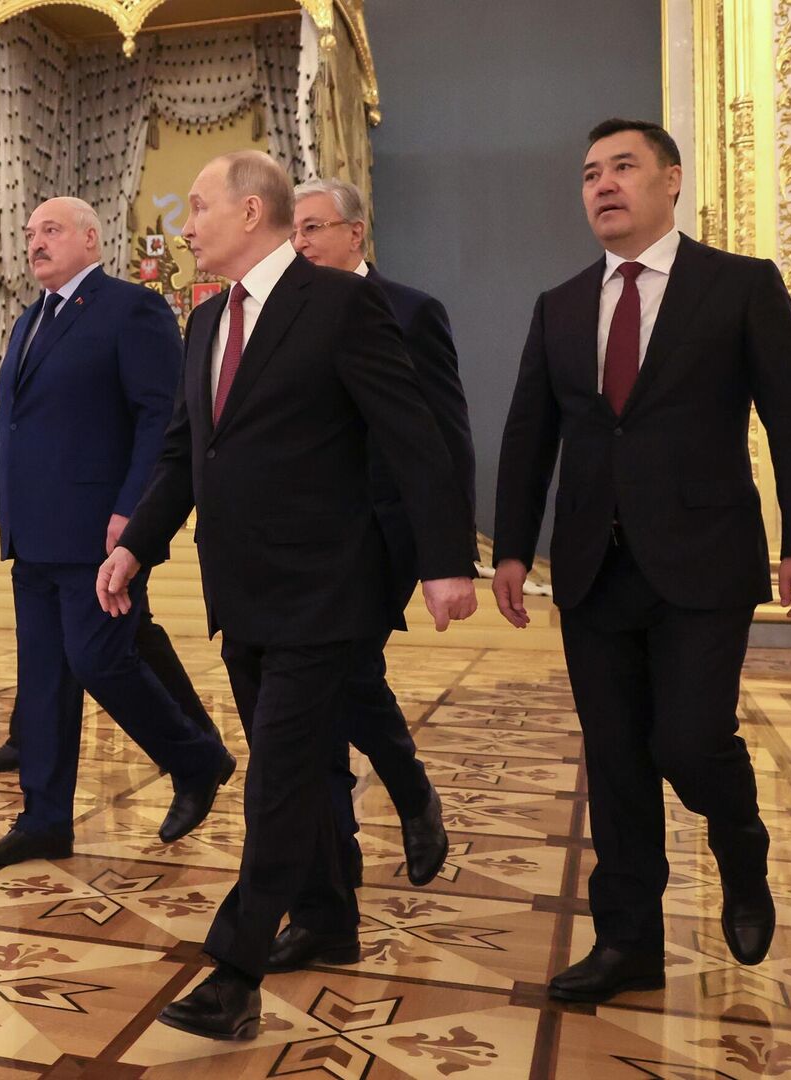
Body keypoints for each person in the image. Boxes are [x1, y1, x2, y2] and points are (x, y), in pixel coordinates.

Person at [98, 152, 477, 1040]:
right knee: (298, 773)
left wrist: (444, 559)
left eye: (198, 207)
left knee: (276, 777)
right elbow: (185, 452)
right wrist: (137, 545)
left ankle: (234, 975)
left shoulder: (341, 304)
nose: (186, 225)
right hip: (241, 591)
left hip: (326, 589)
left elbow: (414, 435)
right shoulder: (205, 320)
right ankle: (329, 917)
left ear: (250, 211)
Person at [493, 118, 791, 1003]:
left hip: (704, 560)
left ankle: (740, 840)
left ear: (671, 180)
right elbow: (530, 435)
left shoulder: (741, 285)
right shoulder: (561, 303)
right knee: (615, 761)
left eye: (623, 167)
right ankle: (628, 941)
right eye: (589, 173)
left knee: (687, 740)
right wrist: (511, 549)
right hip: (591, 566)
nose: (602, 184)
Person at [239, 177, 476, 972]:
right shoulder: (274, 312)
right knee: (337, 691)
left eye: (314, 227)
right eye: (295, 230)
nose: (301, 242)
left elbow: (441, 437)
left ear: (356, 233)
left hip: (381, 538)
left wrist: (446, 554)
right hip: (301, 544)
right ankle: (388, 818)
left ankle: (332, 897)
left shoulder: (411, 310)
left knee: (336, 683)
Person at [0, 196, 234, 869]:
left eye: (51, 230)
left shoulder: (131, 309)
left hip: (99, 533)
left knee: (99, 660)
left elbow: (160, 418)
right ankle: (44, 821)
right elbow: (8, 422)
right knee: (45, 680)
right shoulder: (28, 320)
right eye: (30, 232)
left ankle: (196, 759)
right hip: (32, 533)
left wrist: (134, 510)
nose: (35, 242)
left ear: (91, 239)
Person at [0, 610, 219, 774]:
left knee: (132, 626)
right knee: (51, 627)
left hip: (111, 545)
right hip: (56, 545)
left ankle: (200, 736)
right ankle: (25, 740)